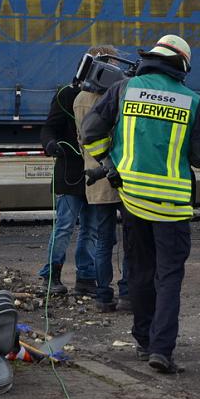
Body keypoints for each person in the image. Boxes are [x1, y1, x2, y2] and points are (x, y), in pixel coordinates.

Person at [81, 34, 200, 373]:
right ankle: (161, 350)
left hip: (132, 198)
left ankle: (143, 341)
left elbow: (90, 132)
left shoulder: (124, 89)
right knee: (168, 275)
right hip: (172, 203)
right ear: (183, 65)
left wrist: (109, 165)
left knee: (139, 271)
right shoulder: (193, 101)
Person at [73, 45, 131, 313]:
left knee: (102, 241)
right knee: (129, 239)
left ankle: (102, 295)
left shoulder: (79, 99)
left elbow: (83, 136)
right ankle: (128, 293)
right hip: (120, 173)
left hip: (94, 177)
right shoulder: (118, 94)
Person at [38, 78, 97, 296]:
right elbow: (49, 128)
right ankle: (51, 274)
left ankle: (86, 277)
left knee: (91, 230)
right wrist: (51, 145)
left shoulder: (108, 95)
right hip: (70, 173)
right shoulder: (66, 95)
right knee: (65, 227)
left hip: (94, 175)